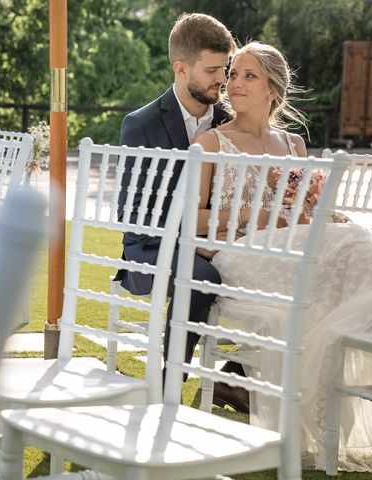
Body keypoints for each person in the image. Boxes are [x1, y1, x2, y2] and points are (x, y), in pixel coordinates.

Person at [195, 41, 372, 472]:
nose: (234, 83)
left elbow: (304, 209)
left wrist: (327, 213)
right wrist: (249, 214)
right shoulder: (212, 141)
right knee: (349, 250)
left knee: (353, 242)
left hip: (295, 248)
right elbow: (192, 218)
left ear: (273, 89)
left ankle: (330, 380)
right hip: (239, 253)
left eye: (247, 76)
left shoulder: (293, 145)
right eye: (233, 74)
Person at [115, 13, 248, 413]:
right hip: (150, 250)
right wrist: (195, 241)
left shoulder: (230, 121)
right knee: (201, 274)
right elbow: (136, 216)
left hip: (213, 243)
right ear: (181, 67)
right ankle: (170, 380)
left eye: (224, 70)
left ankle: (240, 371)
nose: (221, 80)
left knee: (276, 266)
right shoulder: (141, 125)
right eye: (211, 71)